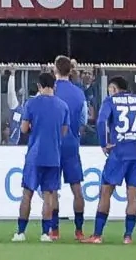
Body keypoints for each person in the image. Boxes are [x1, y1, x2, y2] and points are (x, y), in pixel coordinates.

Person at [90, 76, 136, 243]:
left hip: (118, 153)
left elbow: (101, 121)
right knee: (133, 195)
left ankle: (97, 235)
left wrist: (103, 143)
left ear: (114, 88)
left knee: (105, 192)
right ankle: (128, 236)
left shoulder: (110, 101)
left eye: (110, 89)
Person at [14, 72, 70, 242]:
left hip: (35, 155)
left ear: (39, 86)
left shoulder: (31, 103)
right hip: (53, 156)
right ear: (55, 85)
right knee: (48, 195)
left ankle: (21, 232)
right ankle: (45, 233)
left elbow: (24, 129)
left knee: (27, 193)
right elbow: (64, 131)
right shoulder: (63, 106)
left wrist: (34, 128)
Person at [52, 55, 91, 237]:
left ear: (55, 69)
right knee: (77, 189)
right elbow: (84, 120)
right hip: (72, 144)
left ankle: (54, 230)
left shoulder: (50, 90)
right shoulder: (79, 93)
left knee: (52, 189)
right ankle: (79, 230)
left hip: (53, 144)